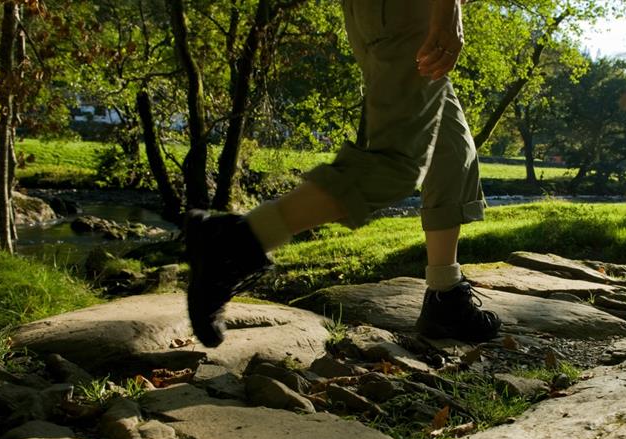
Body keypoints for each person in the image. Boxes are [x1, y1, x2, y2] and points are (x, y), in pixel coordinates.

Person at [185, 0, 501, 348]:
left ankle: (446, 297)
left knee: (451, 152)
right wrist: (447, 9)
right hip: (408, 11)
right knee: (394, 164)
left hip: (387, 14)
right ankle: (235, 242)